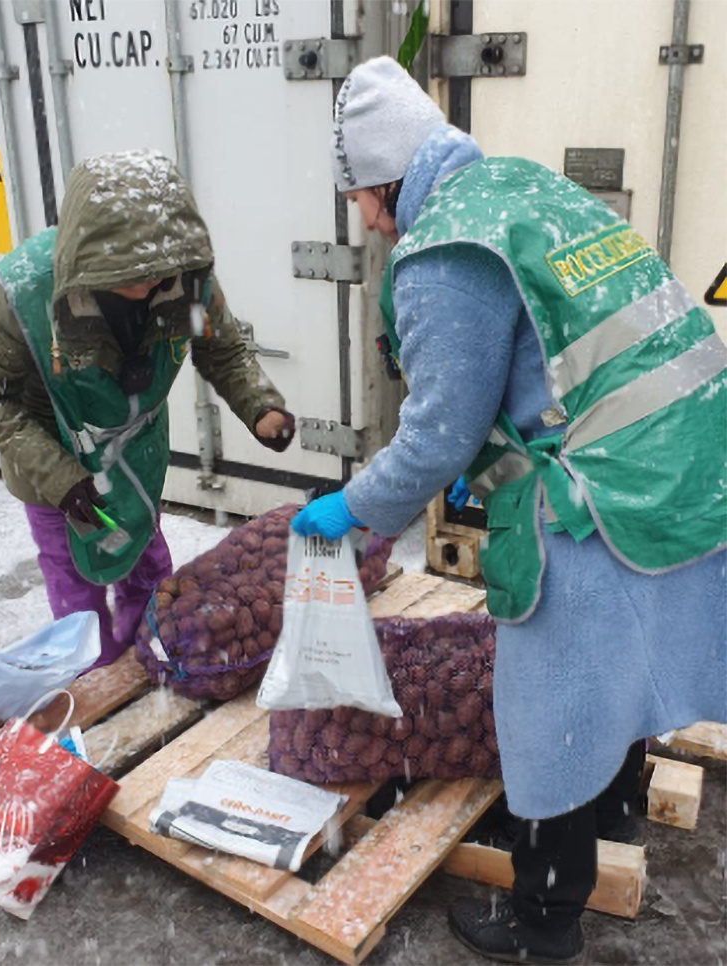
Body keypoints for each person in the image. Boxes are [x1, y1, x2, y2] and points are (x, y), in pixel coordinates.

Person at [292, 57, 726, 964]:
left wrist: (355, 505)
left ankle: (544, 921)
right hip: (690, 458)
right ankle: (619, 811)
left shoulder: (444, 251)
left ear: (387, 178)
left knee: (552, 698)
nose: (370, 223)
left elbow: (440, 436)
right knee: (627, 658)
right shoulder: (518, 186)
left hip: (601, 486)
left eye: (365, 200)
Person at [0, 150, 295, 672]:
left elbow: (221, 347)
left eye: (164, 272)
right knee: (78, 599)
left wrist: (260, 406)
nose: (155, 282)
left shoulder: (180, 279)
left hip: (132, 461)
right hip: (57, 475)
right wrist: (57, 477)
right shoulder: (19, 296)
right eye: (137, 275)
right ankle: (95, 681)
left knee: (150, 570)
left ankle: (153, 666)